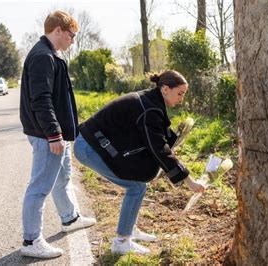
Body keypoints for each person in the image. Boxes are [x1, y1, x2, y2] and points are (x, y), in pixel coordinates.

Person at [73, 70, 206, 255]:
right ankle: (121, 242)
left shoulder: (151, 101)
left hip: (92, 142)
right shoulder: (150, 108)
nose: (182, 98)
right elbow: (158, 148)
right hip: (89, 148)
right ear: (166, 88)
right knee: (136, 188)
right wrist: (189, 181)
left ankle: (129, 229)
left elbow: (156, 137)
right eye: (180, 93)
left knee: (139, 185)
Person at [19, 10, 96, 259]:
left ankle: (70, 217)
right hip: (47, 135)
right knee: (39, 187)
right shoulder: (43, 56)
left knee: (62, 177)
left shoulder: (51, 54)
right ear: (58, 31)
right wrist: (53, 135)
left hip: (55, 133)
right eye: (71, 35)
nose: (72, 40)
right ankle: (31, 241)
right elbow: (41, 100)